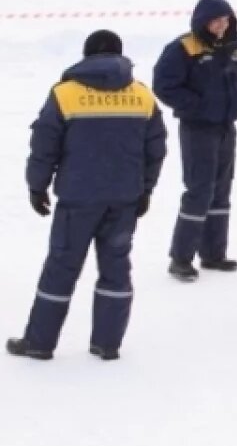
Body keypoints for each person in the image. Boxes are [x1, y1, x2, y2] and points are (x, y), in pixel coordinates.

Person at [7, 30, 167, 361]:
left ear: (86, 56)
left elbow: (44, 144)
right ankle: (107, 344)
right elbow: (156, 149)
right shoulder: (142, 95)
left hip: (78, 200)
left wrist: (37, 185)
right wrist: (145, 188)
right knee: (116, 270)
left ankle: (39, 343)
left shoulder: (65, 94)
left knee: (61, 269)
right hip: (123, 199)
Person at [154, 0, 237, 282]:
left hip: (226, 127)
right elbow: (164, 86)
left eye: (226, 20)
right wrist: (197, 106)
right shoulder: (183, 48)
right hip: (197, 128)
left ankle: (213, 253)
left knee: (222, 190)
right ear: (202, 21)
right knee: (199, 190)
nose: (222, 25)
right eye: (216, 20)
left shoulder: (232, 47)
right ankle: (181, 257)